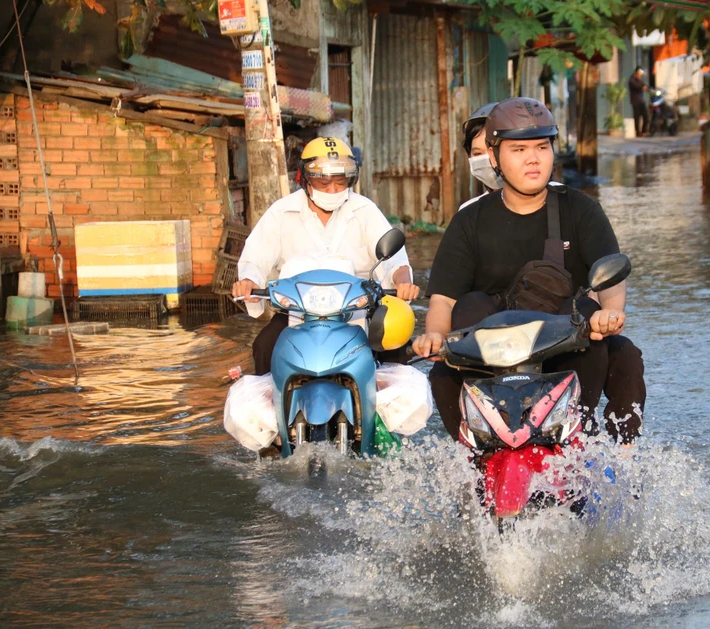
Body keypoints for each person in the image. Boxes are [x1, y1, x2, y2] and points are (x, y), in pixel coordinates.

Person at [413, 98, 646, 445]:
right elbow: (444, 301)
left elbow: (609, 274)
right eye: (518, 149)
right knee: (446, 363)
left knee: (620, 351)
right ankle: (472, 457)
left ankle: (601, 450)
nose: (534, 158)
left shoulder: (580, 209)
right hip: (491, 352)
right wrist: (433, 335)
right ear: (494, 158)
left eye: (542, 146)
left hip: (564, 340)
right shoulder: (469, 220)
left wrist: (610, 313)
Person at [233, 137, 420, 376]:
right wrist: (249, 281)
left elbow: (395, 260)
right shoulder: (281, 212)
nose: (333, 190)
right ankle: (275, 408)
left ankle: (386, 410)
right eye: (324, 182)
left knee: (395, 352)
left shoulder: (364, 210)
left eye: (340, 182)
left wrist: (402, 282)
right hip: (298, 314)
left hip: (358, 310)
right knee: (264, 347)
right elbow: (255, 258)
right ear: (305, 180)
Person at [629, 67, 651, 137]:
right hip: (635, 101)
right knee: (637, 117)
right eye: (639, 74)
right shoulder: (631, 80)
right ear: (636, 73)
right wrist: (642, 87)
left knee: (646, 116)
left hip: (641, 101)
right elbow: (637, 86)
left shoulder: (640, 81)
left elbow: (645, 86)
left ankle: (643, 131)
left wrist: (647, 88)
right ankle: (638, 133)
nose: (640, 76)